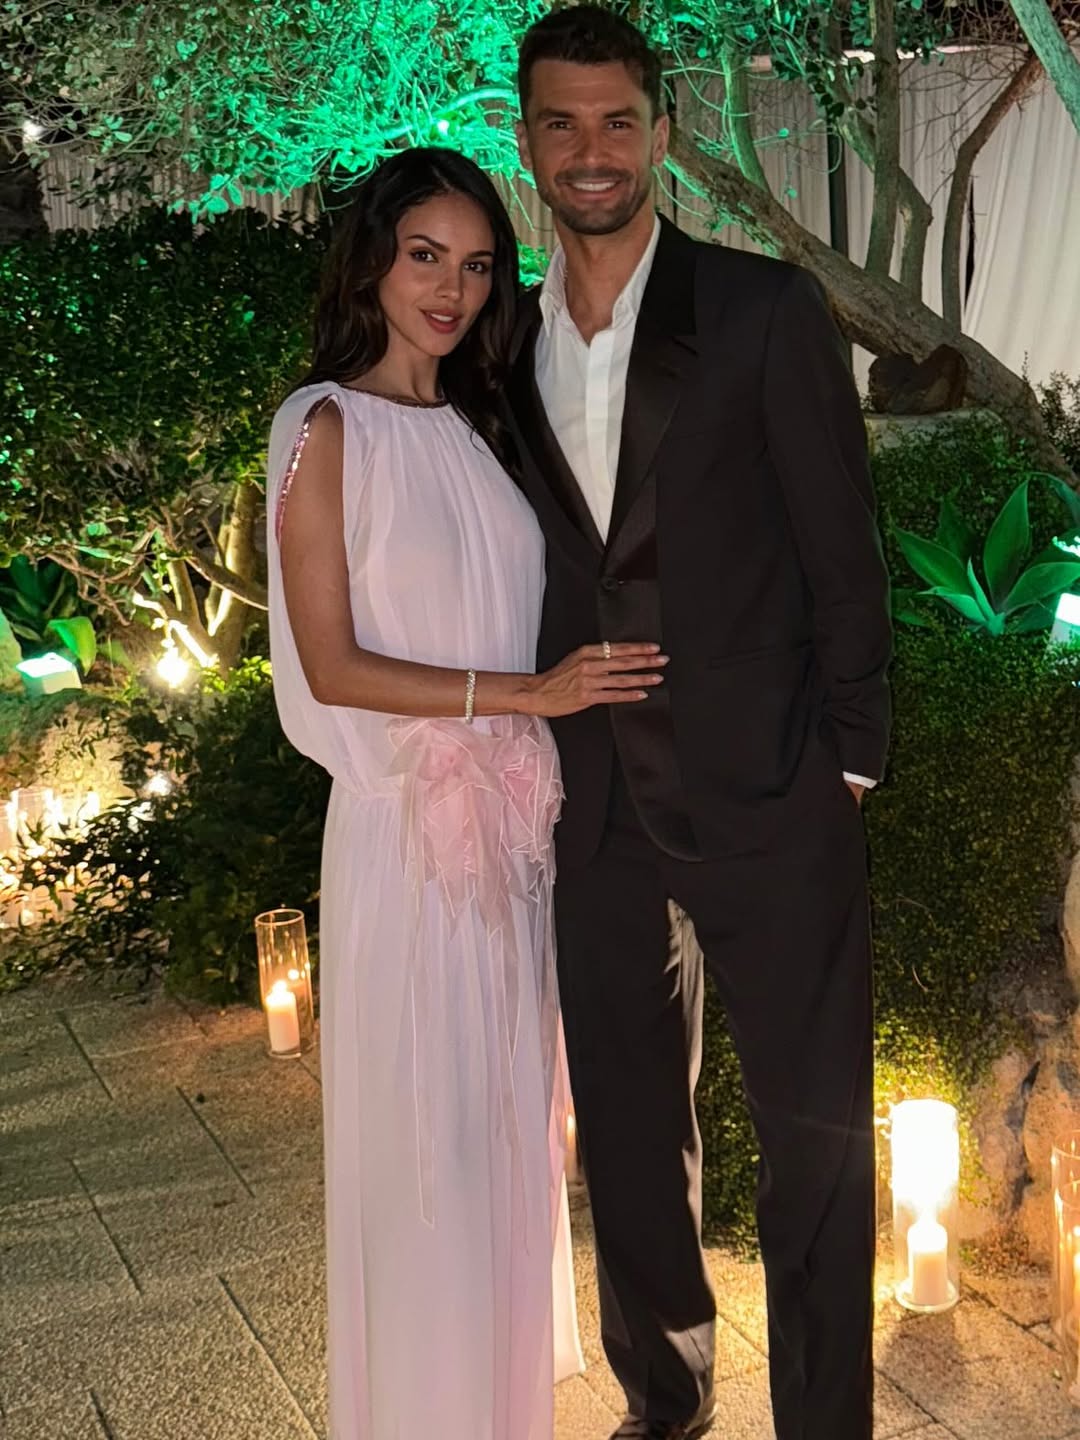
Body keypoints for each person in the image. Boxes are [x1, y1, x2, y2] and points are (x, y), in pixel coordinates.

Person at [508, 10, 893, 1440]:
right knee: (626, 1133)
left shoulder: (764, 309)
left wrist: (849, 762)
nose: (592, 151)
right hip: (594, 806)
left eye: (618, 121)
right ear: (526, 139)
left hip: (774, 791)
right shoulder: (499, 343)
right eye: (562, 123)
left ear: (663, 132)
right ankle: (665, 1402)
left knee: (815, 1149)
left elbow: (843, 548)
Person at [265, 146, 663, 1439]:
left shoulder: (485, 428)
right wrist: (526, 694)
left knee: (502, 1147)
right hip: (403, 841)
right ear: (372, 261)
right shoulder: (322, 425)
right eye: (425, 256)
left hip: (509, 837)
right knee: (424, 1159)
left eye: (478, 265)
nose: (451, 288)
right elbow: (331, 661)